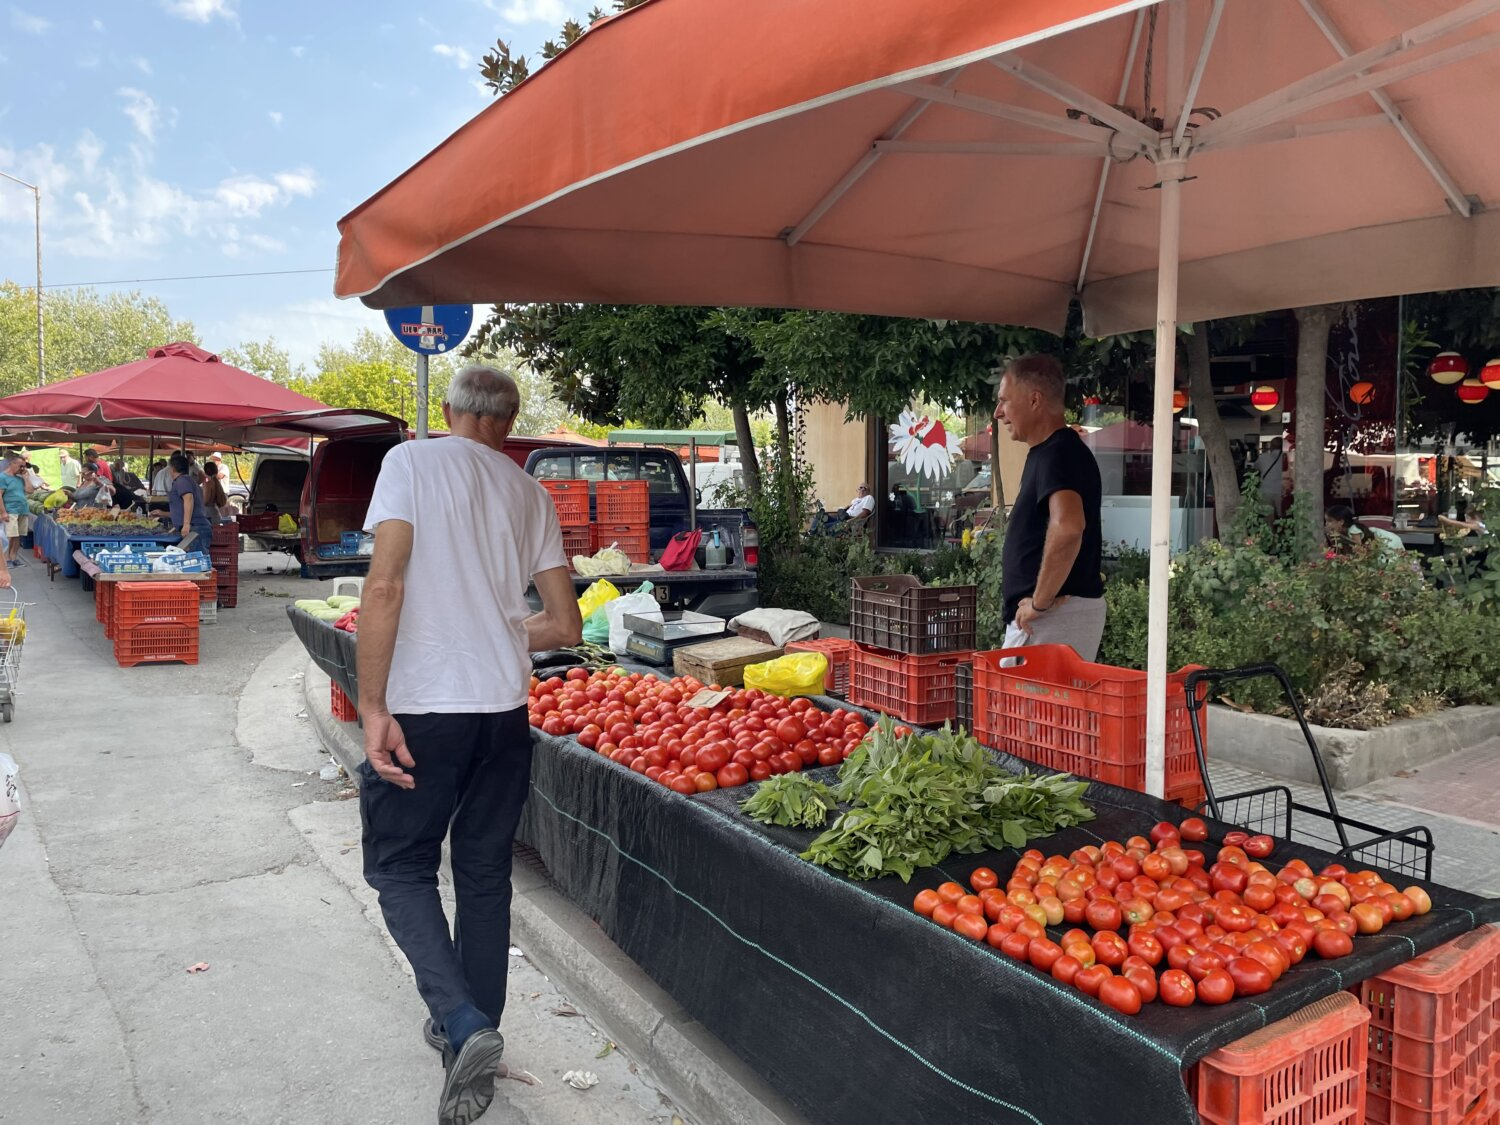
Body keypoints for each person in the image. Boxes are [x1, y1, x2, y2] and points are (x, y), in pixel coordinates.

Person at [358, 365, 582, 1125]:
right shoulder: (530, 492)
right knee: (484, 873)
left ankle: (461, 1021)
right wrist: (499, 631)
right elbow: (566, 624)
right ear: (508, 421)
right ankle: (471, 1046)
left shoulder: (410, 462)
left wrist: (372, 703)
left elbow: (383, 585)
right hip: (503, 713)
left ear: (450, 411)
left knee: (400, 865)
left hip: (427, 707)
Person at [994, 354, 1106, 661]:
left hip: (1050, 619)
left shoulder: (1059, 452)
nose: (998, 412)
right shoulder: (1052, 451)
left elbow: (1069, 527)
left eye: (1004, 400)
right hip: (1047, 619)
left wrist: (1040, 603)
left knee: (1023, 709)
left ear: (1034, 400)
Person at [166, 451, 213, 549]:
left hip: (195, 528)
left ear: (173, 468)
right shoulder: (185, 480)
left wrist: (186, 524)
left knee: (198, 559)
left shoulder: (182, 480)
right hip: (196, 527)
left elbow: (188, 499)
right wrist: (162, 513)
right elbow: (182, 508)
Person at [810, 483, 875, 534]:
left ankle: (810, 534)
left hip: (850, 522)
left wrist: (851, 520)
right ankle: (811, 533)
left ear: (868, 491)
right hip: (841, 518)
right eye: (861, 487)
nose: (863, 489)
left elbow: (865, 513)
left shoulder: (869, 498)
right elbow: (848, 509)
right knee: (821, 514)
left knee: (822, 528)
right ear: (857, 490)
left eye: (865, 488)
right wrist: (843, 509)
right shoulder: (855, 500)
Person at [0, 459, 29, 569]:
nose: (22, 469)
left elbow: (30, 490)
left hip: (22, 510)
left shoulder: (19, 478)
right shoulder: (2, 477)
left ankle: (13, 557)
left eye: (24, 466)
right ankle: (6, 559)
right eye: (21, 466)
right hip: (10, 510)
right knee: (10, 535)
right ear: (12, 464)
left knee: (18, 535)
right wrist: (3, 512)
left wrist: (26, 477)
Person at [1253, 438, 1285, 514]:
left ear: (1271, 446)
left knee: (1267, 517)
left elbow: (1256, 467)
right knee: (1282, 518)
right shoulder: (1285, 458)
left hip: (1265, 491)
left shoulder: (1263, 457)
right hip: (1281, 492)